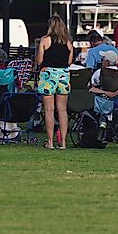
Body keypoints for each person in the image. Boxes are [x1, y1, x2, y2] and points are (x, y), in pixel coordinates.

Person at [36, 14, 73, 150]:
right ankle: (63, 142)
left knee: (49, 110)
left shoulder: (45, 40)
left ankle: (50, 141)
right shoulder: (68, 42)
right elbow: (69, 62)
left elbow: (39, 60)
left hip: (48, 74)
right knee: (62, 110)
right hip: (63, 74)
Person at [89, 50, 118, 137]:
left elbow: (92, 85)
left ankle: (101, 124)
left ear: (106, 62)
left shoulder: (100, 72)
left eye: (103, 59)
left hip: (103, 101)